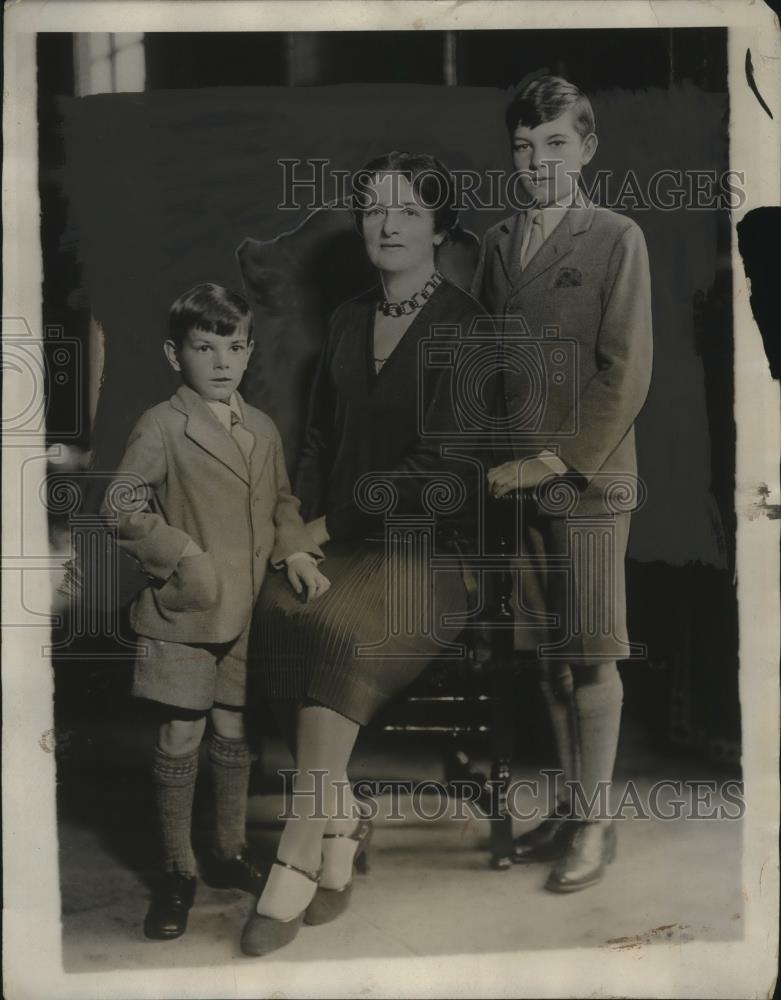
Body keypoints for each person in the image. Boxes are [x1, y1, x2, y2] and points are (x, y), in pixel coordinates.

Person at [242, 152, 490, 956]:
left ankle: (300, 844)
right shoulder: (347, 321)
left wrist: (325, 529)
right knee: (276, 611)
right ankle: (342, 824)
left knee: (341, 633)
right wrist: (291, 530)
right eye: (374, 208)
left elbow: (445, 471)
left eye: (407, 210)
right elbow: (317, 443)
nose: (386, 223)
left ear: (438, 228)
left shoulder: (467, 328)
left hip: (430, 555)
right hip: (334, 540)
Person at [101, 283, 328, 940]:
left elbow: (282, 503)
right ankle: (178, 869)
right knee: (182, 733)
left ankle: (227, 853)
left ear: (250, 348)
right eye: (205, 347)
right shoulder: (163, 424)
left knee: (234, 729)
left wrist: (296, 555)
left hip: (247, 609)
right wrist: (183, 554)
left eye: (234, 345)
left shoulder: (260, 427)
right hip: (186, 611)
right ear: (177, 355)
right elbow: (119, 505)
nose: (222, 362)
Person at [472, 75, 653, 891]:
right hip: (513, 484)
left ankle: (595, 821)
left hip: (584, 483)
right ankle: (573, 806)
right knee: (543, 656)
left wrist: (557, 460)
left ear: (584, 149)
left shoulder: (616, 237)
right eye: (521, 145)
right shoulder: (495, 241)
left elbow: (625, 371)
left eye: (553, 143)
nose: (536, 159)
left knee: (591, 655)